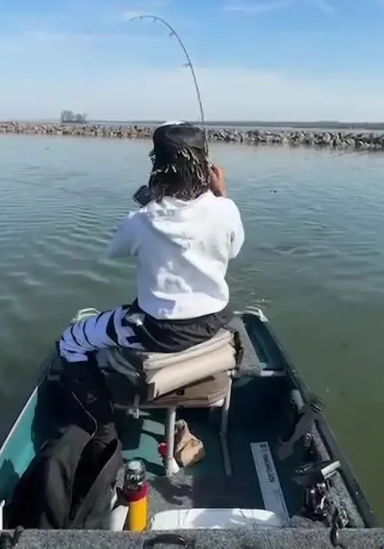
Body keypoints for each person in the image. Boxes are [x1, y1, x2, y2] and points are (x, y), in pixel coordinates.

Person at [56, 122, 244, 432]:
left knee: (71, 342)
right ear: (206, 167)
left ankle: (101, 427)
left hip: (158, 332)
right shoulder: (227, 210)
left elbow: (113, 250)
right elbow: (233, 250)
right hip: (213, 322)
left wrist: (153, 208)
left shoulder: (139, 221)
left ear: (157, 167)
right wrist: (221, 195)